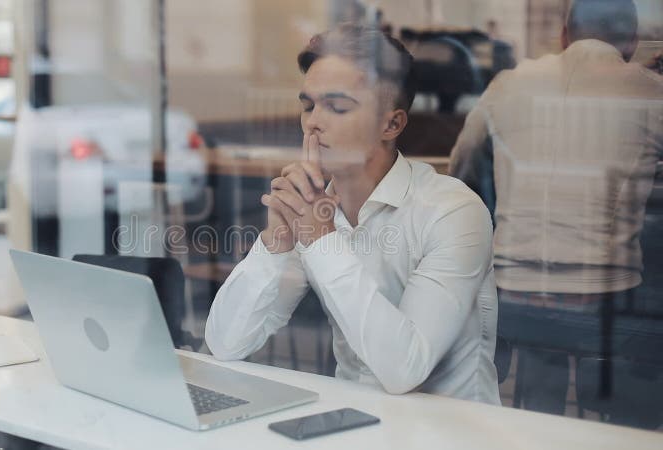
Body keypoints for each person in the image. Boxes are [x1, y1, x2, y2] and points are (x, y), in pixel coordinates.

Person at [205, 24, 500, 405]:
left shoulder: (453, 212)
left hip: (449, 432)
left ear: (391, 124)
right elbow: (226, 344)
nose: (313, 122)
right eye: (308, 105)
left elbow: (403, 369)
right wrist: (275, 245)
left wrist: (321, 238)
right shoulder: (315, 210)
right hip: (351, 422)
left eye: (337, 107)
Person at [449, 0, 663, 415]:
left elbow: (462, 165)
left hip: (514, 292)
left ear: (564, 35)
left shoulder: (508, 83)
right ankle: (613, 423)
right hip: (605, 295)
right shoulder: (648, 91)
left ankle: (536, 424)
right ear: (632, 41)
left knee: (539, 362)